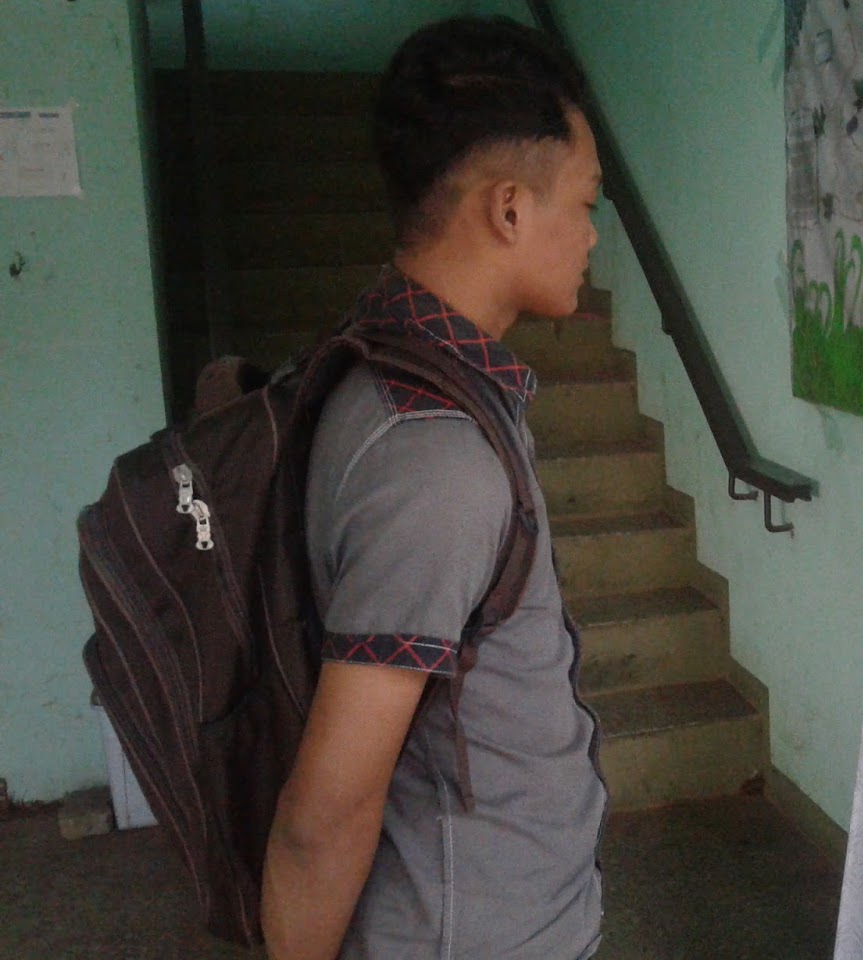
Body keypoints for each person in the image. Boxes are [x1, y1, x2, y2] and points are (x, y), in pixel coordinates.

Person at [260, 17, 607, 960]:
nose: (591, 234)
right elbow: (324, 815)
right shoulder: (433, 457)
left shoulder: (390, 362)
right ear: (509, 211)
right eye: (585, 203)